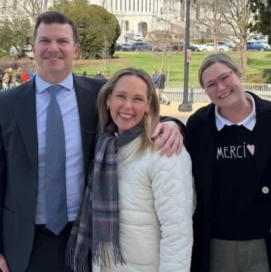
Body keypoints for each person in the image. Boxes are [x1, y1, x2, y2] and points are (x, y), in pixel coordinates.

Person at [0, 11, 186, 272]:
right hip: (24, 240)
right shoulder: (4, 104)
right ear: (33, 48)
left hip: (85, 235)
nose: (54, 48)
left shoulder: (97, 94)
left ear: (75, 49)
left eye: (62, 41)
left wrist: (172, 124)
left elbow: (132, 111)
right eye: (45, 41)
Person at [68, 67, 194, 272]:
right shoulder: (105, 146)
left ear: (148, 105)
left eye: (137, 99)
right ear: (108, 100)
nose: (128, 106)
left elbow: (177, 234)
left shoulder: (165, 150)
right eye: (121, 96)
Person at [185, 53, 271, 272]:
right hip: (217, 242)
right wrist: (171, 122)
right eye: (211, 85)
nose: (220, 88)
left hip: (265, 240)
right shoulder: (198, 126)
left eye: (225, 78)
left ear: (238, 74)